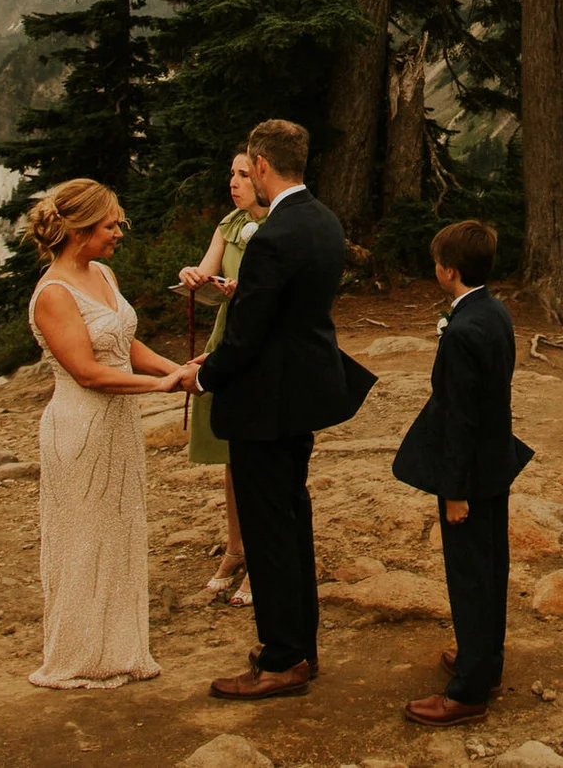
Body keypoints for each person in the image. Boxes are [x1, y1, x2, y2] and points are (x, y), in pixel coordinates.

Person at [161, 119, 375, 700]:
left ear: (259, 165)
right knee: (291, 521)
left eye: (246, 167)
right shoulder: (324, 222)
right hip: (300, 397)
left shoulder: (273, 235)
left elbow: (247, 333)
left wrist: (201, 376)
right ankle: (297, 646)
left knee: (268, 529)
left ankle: (282, 660)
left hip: (263, 403)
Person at [26, 178, 184, 689]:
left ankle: (119, 649)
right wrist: (161, 387)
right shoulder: (53, 293)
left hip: (118, 426)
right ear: (79, 230)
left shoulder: (104, 274)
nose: (119, 232)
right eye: (111, 224)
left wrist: (179, 370)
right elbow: (89, 372)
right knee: (83, 538)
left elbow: (125, 345)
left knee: (118, 534)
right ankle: (77, 656)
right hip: (79, 429)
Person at [392, 219, 532, 726]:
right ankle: (484, 660)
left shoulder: (462, 330)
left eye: (436, 263)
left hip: (469, 474)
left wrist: (453, 492)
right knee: (492, 567)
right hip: (496, 465)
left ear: (447, 271)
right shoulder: (495, 313)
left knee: (470, 575)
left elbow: (459, 417)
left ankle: (469, 690)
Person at [176, 150, 263, 601]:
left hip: (257, 347)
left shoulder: (278, 228)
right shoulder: (229, 225)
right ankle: (235, 546)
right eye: (230, 173)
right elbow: (208, 275)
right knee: (231, 457)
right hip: (223, 342)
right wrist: (194, 277)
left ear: (263, 176)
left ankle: (261, 557)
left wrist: (243, 291)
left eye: (243, 174)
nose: (233, 182)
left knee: (259, 457)